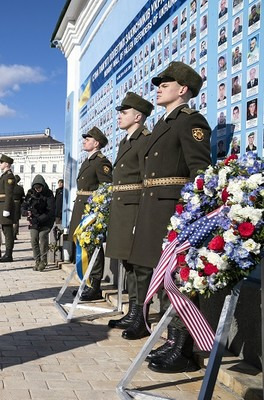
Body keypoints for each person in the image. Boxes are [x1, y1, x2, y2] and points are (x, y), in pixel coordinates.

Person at [128, 61, 211, 373]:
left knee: (176, 278)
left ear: (183, 89)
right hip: (154, 207)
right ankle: (171, 341)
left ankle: (183, 348)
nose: (159, 87)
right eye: (160, 83)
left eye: (166, 83)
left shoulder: (190, 121)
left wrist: (189, 215)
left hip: (173, 210)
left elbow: (200, 171)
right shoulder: (164, 123)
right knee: (162, 277)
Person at [105, 92, 154, 339]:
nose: (119, 117)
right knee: (129, 263)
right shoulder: (126, 141)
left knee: (141, 267)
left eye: (124, 113)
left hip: (136, 208)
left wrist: (142, 217)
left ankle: (142, 317)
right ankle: (133, 311)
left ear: (138, 116)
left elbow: (147, 180)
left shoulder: (145, 139)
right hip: (123, 209)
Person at [69, 126, 113, 301]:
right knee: (84, 247)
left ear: (96, 143)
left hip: (91, 210)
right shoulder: (88, 161)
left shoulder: (101, 162)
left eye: (88, 139)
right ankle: (86, 283)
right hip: (82, 206)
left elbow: (106, 187)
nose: (84, 141)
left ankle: (95, 285)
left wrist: (97, 211)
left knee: (92, 246)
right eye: (85, 139)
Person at [24, 175, 55, 271]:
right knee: (34, 239)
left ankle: (43, 261)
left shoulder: (48, 194)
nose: (37, 190)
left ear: (43, 186)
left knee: (42, 238)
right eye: (36, 188)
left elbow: (50, 211)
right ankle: (37, 260)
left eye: (39, 188)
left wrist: (38, 219)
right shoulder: (30, 193)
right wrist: (25, 212)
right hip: (34, 221)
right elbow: (24, 205)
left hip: (46, 221)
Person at [0, 154, 17, 262]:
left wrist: (7, 209)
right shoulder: (4, 175)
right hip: (1, 205)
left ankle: (8, 254)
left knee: (8, 231)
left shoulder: (9, 176)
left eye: (1, 162)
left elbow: (9, 194)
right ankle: (6, 253)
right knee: (4, 230)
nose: (0, 164)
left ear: (7, 164)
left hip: (4, 206)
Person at [12, 175, 25, 239]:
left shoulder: (10, 187)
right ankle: (14, 234)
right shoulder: (20, 188)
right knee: (16, 221)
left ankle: (10, 234)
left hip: (10, 204)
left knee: (10, 220)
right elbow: (23, 198)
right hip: (17, 204)